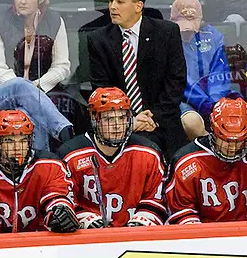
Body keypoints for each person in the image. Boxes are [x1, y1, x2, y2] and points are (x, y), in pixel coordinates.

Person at [87, 0, 188, 161]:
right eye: (110, 1)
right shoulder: (98, 40)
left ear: (138, 6)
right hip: (117, 127)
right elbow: (102, 89)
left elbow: (176, 81)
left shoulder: (166, 32)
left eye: (119, 1)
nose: (112, 7)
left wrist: (153, 118)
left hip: (162, 121)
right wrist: (130, 121)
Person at [0, 0, 74, 151]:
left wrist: (38, 86)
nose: (22, 1)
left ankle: (38, 165)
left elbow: (62, 66)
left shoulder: (55, 21)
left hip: (39, 97)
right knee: (21, 88)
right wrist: (25, 88)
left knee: (27, 113)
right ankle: (62, 130)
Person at [57, 87, 166, 228]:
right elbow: (63, 202)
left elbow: (156, 200)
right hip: (87, 241)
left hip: (136, 240)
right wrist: (86, 221)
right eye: (109, 119)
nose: (117, 126)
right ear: (94, 120)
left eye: (122, 118)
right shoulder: (70, 155)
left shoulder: (149, 153)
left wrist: (139, 223)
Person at [0, 110, 79, 234]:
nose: (17, 148)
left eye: (23, 140)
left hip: (42, 245)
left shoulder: (50, 165)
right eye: (9, 141)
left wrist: (59, 211)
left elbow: (57, 195)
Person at [165, 97, 247, 224]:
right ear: (213, 130)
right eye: (227, 140)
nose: (232, 148)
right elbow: (181, 211)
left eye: (238, 141)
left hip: (246, 232)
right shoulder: (187, 161)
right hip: (204, 237)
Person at [170, 0, 232, 140]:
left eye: (192, 23)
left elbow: (220, 71)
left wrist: (216, 103)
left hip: (213, 99)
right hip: (183, 100)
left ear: (201, 18)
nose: (187, 31)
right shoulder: (168, 39)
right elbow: (179, 77)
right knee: (193, 123)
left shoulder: (214, 36)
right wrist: (203, 103)